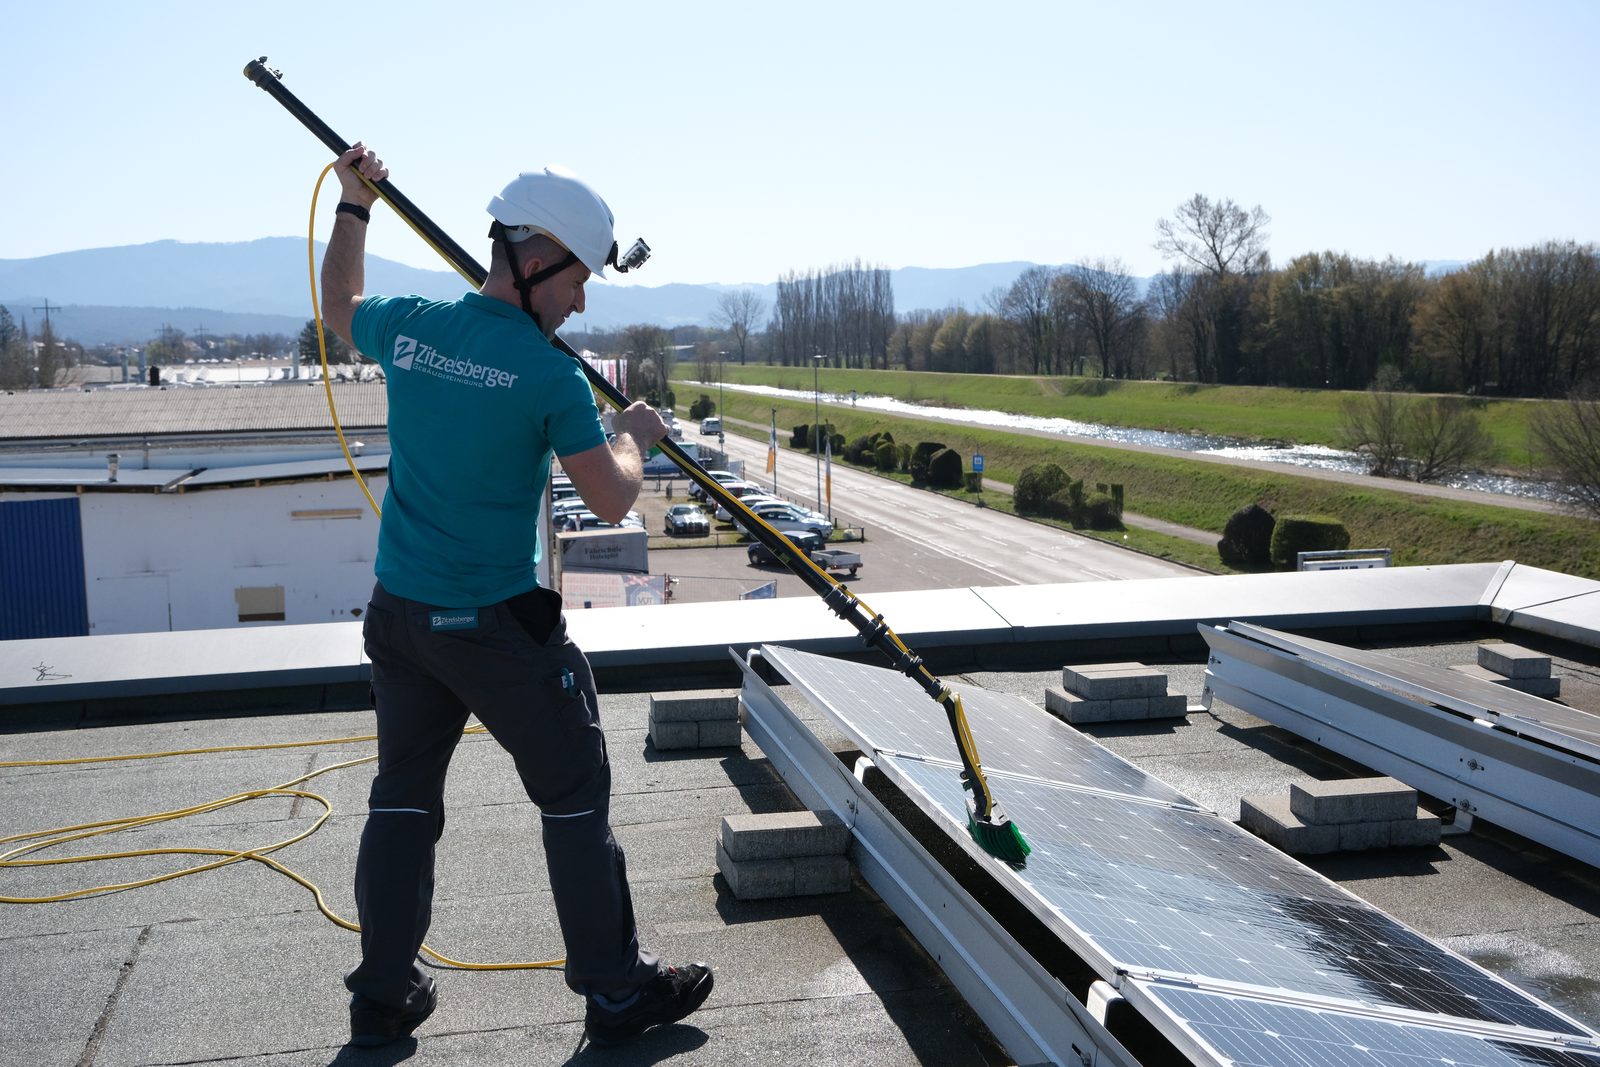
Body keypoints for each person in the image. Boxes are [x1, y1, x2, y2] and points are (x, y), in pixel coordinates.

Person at [320, 144, 712, 1049]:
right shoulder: (546, 376)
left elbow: (339, 306)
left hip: (402, 619)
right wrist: (634, 434)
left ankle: (383, 993)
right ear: (536, 262)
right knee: (575, 788)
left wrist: (353, 207)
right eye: (577, 280)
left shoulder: (413, 325)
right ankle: (616, 991)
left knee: (403, 798)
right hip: (494, 628)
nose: (581, 301)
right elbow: (611, 497)